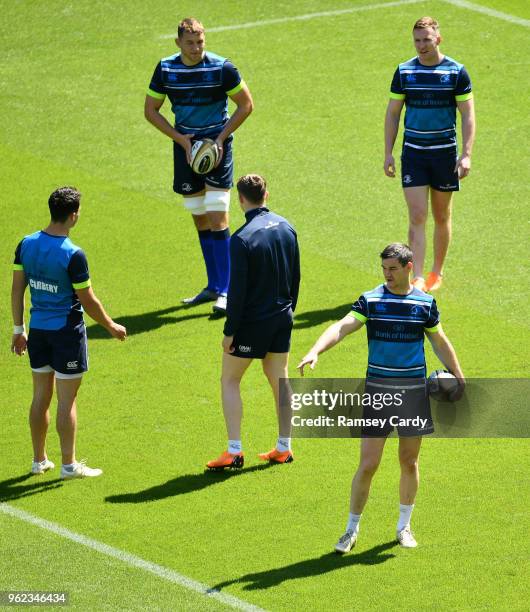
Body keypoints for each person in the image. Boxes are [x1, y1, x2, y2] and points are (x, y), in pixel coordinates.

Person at [297, 243, 464, 550]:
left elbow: (440, 341)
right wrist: (315, 350)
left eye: (393, 269)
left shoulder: (425, 304)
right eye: (384, 268)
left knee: (409, 461)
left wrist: (459, 375)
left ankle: (404, 527)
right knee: (368, 464)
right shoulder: (372, 300)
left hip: (413, 394)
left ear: (408, 267)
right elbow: (343, 327)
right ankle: (351, 529)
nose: (387, 274)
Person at [11, 187, 127, 479]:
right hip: (66, 333)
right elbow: (88, 300)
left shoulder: (26, 244)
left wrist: (18, 329)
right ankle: (68, 465)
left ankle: (39, 461)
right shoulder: (73, 254)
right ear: (73, 215)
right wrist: (111, 326)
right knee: (66, 400)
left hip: (37, 330)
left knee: (40, 396)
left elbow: (16, 289)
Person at [144, 17, 254, 314]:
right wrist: (180, 139)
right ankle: (213, 286)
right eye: (190, 43)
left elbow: (246, 105)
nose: (196, 48)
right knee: (199, 218)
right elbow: (150, 110)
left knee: (218, 218)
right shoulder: (166, 68)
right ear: (178, 42)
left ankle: (229, 291)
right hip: (186, 148)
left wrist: (220, 139)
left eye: (200, 42)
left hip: (216, 147)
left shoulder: (222, 67)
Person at [207, 175, 300, 469]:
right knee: (280, 380)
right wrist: (289, 312)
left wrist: (229, 331)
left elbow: (238, 291)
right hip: (282, 316)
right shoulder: (287, 227)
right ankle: (284, 447)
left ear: (241, 199)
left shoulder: (242, 238)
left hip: (252, 322)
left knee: (230, 380)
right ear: (266, 195)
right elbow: (295, 276)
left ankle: (234, 451)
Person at [384, 17, 475, 292]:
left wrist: (467, 154)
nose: (421, 45)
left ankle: (437, 271)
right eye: (417, 40)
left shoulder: (456, 72)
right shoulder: (404, 72)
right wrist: (388, 153)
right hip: (413, 154)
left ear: (438, 39)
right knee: (417, 215)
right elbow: (393, 113)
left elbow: (468, 115)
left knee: (441, 215)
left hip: (444, 154)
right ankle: (419, 275)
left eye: (426, 39)